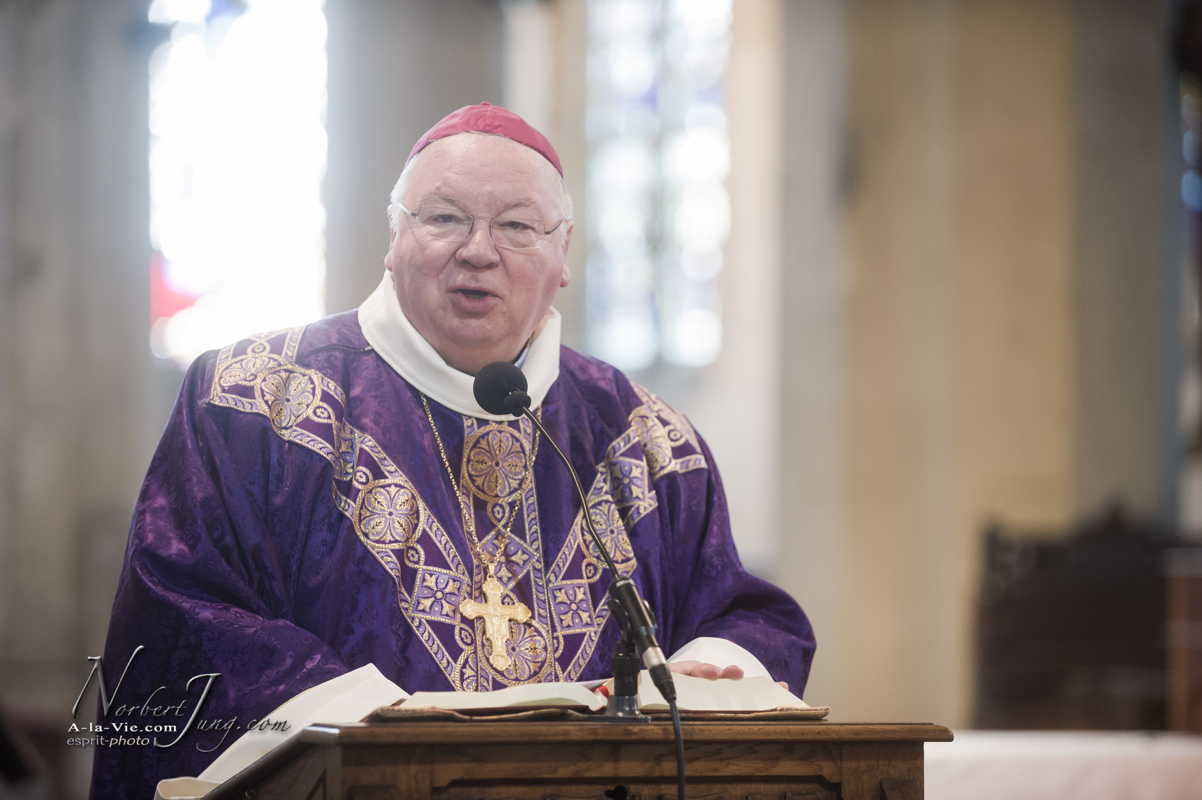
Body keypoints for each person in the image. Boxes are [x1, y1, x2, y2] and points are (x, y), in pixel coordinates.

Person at [90, 103, 815, 798]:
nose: (478, 250)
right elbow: (181, 617)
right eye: (443, 218)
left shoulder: (646, 441)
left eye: (517, 225)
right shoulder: (256, 403)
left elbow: (739, 612)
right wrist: (381, 724)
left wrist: (704, 673)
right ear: (394, 237)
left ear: (563, 253)